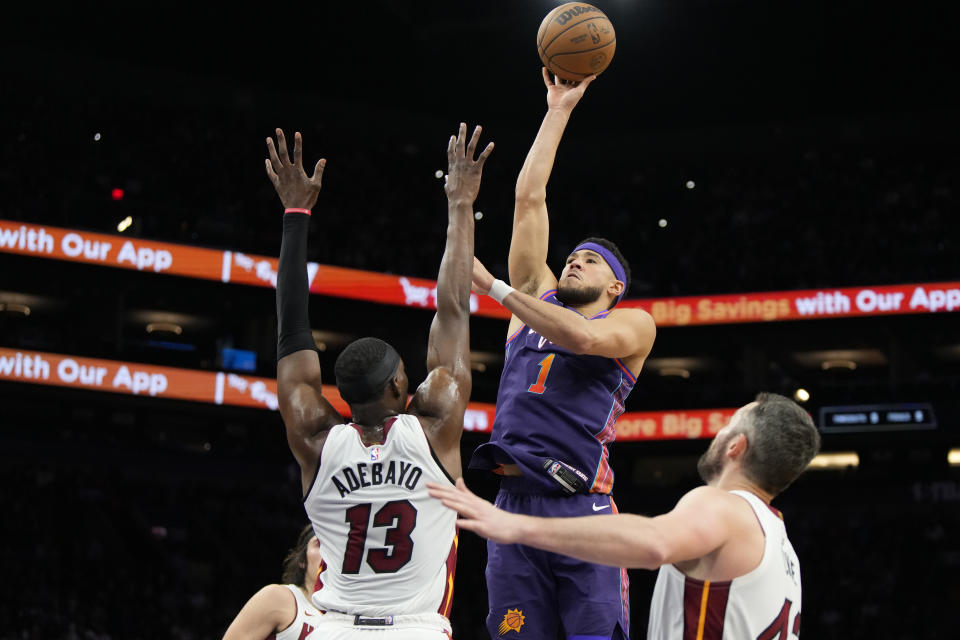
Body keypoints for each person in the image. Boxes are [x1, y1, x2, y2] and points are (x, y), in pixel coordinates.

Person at [265, 123, 492, 639]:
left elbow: (291, 332)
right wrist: (461, 202)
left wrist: (295, 217)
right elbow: (453, 310)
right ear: (397, 389)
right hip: (414, 629)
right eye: (407, 377)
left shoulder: (316, 440)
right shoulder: (433, 428)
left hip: (333, 629)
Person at [466, 68, 657, 639]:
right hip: (512, 502)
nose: (573, 260)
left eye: (590, 260)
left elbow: (584, 340)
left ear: (615, 285)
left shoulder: (631, 324)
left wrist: (496, 290)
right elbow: (529, 200)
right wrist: (558, 110)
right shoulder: (535, 299)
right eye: (571, 255)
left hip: (583, 510)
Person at [432, 393, 822, 639]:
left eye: (727, 427)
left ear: (736, 446)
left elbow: (654, 543)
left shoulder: (723, 507)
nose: (717, 434)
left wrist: (517, 525)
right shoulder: (782, 546)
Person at [223, 524, 324, 639]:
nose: (329, 554)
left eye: (335, 548)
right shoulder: (278, 598)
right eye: (319, 544)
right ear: (302, 560)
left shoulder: (347, 619)